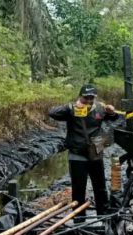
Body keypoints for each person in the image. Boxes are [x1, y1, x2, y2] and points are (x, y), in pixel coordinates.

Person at [49, 84, 118, 219]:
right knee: (78, 189)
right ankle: (79, 218)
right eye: (86, 97)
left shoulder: (100, 108)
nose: (88, 101)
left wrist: (112, 112)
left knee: (100, 187)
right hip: (77, 154)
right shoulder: (72, 109)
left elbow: (114, 119)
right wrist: (70, 107)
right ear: (80, 97)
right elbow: (52, 113)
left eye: (91, 98)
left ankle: (103, 216)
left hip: (96, 152)